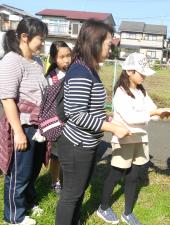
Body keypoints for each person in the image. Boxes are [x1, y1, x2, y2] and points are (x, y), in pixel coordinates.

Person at [55, 19, 130, 225]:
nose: (110, 49)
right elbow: (76, 114)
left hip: (85, 144)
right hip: (76, 145)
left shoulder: (87, 69)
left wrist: (108, 118)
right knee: (71, 194)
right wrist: (112, 127)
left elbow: (90, 109)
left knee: (78, 191)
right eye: (108, 44)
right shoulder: (81, 72)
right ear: (95, 43)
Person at [96, 52, 170, 225]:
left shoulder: (142, 91)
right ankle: (104, 207)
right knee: (116, 174)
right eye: (141, 72)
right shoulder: (121, 93)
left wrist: (163, 113)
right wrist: (153, 113)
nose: (144, 76)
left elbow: (153, 111)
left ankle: (127, 212)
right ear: (129, 71)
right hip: (125, 139)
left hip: (141, 139)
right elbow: (131, 118)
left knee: (133, 176)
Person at [0, 18, 48, 225]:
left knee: (33, 169)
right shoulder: (11, 60)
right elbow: (7, 98)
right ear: (24, 37)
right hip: (24, 126)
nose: (43, 44)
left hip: (39, 127)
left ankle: (28, 202)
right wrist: (18, 131)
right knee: (18, 173)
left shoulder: (36, 62)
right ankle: (14, 216)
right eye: (41, 39)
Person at [44, 41, 72, 195]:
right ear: (54, 59)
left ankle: (68, 180)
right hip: (56, 123)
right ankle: (55, 182)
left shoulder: (74, 72)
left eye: (68, 55)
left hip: (72, 122)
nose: (66, 60)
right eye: (62, 57)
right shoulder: (50, 78)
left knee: (69, 154)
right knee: (56, 156)